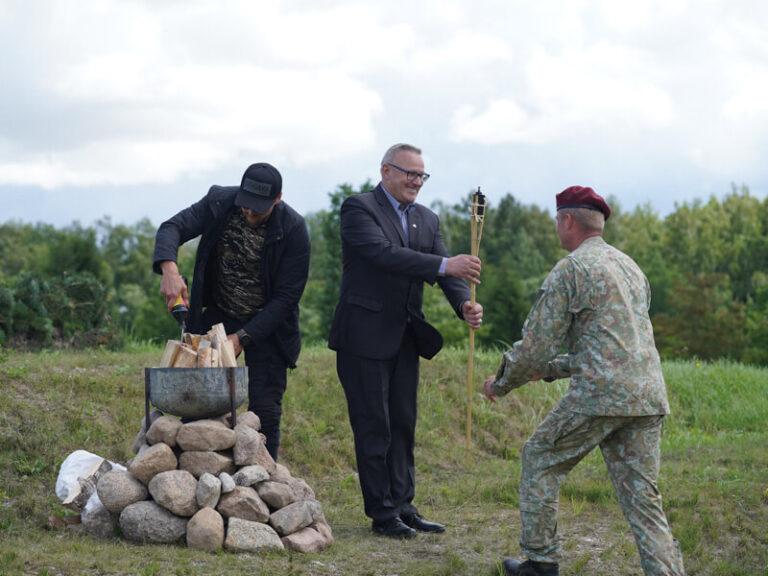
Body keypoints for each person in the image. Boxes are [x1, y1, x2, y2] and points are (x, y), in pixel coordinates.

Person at [483, 186, 685, 576]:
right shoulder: (630, 268)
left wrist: (501, 383)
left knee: (540, 459)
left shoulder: (571, 269)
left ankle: (540, 564)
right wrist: (553, 369)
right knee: (643, 498)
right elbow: (612, 347)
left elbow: (536, 346)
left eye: (556, 220)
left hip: (599, 396)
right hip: (648, 397)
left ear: (567, 221)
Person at [329, 143, 484, 538]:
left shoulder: (427, 220)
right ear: (385, 171)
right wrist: (445, 264)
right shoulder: (358, 208)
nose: (416, 181)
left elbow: (448, 275)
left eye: (421, 175)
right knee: (373, 426)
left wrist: (464, 303)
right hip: (362, 338)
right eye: (409, 173)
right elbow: (383, 255)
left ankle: (403, 505)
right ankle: (382, 514)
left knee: (402, 424)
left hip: (405, 339)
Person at [153, 162, 310, 461]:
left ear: (277, 199)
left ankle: (262, 481)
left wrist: (242, 338)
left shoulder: (293, 229)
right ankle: (199, 470)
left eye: (258, 209)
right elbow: (172, 227)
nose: (249, 213)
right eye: (246, 206)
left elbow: (287, 298)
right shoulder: (220, 202)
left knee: (265, 411)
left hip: (269, 326)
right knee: (198, 400)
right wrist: (169, 270)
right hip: (218, 314)